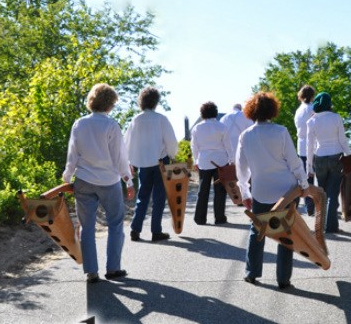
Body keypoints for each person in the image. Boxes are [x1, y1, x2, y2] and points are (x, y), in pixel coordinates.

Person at [62, 83, 135, 283]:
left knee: (86, 226)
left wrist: (67, 177)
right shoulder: (111, 125)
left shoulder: (79, 124)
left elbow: (73, 154)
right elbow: (120, 158)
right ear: (110, 104)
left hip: (84, 180)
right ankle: (113, 268)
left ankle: (91, 271)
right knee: (115, 223)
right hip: (109, 181)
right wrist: (128, 181)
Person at [236, 92, 309, 289]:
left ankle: (251, 273)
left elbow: (241, 168)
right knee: (286, 232)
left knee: (257, 230)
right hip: (286, 190)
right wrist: (304, 183)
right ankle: (283, 279)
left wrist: (244, 193)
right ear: (272, 110)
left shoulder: (245, 135)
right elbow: (294, 162)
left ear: (251, 111)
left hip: (260, 190)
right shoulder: (281, 131)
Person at [124, 87, 178, 243]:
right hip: (160, 162)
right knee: (159, 197)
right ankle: (156, 231)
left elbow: (127, 142)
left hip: (142, 163)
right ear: (156, 101)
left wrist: (129, 162)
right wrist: (172, 155)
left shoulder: (135, 120)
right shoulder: (161, 119)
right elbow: (171, 142)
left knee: (143, 197)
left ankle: (135, 229)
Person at [306, 92, 351, 233]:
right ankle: (331, 226)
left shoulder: (311, 121)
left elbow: (310, 146)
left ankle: (321, 224)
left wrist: (309, 166)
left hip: (319, 159)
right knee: (332, 193)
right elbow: (343, 140)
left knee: (323, 193)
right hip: (335, 157)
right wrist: (349, 156)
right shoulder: (336, 118)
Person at [191, 101, 234, 225]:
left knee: (202, 191)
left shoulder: (197, 127)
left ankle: (200, 218)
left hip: (204, 161)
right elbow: (228, 146)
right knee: (220, 191)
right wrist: (231, 160)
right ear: (215, 112)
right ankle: (219, 218)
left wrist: (196, 160)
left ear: (202, 113)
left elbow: (194, 146)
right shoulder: (222, 127)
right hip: (221, 161)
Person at [294, 84, 316, 216]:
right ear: (312, 95)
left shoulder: (298, 110)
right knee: (320, 176)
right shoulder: (313, 109)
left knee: (306, 178)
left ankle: (309, 206)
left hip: (301, 146)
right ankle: (321, 204)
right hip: (314, 145)